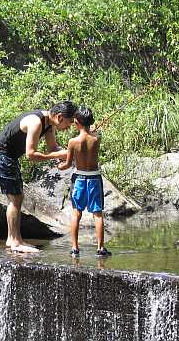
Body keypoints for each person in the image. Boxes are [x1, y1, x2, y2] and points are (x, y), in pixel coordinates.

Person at [0, 101, 77, 253]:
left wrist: (70, 152)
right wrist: (57, 155)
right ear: (60, 117)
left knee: (16, 197)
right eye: (69, 123)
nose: (69, 127)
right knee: (16, 198)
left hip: (8, 157)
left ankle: (12, 239)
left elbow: (53, 148)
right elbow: (31, 154)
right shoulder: (36, 122)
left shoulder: (49, 123)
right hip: (0, 156)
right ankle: (15, 242)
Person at [57, 106, 111, 257]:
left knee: (76, 213)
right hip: (94, 178)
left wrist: (60, 166)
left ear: (77, 122)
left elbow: (67, 164)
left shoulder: (73, 141)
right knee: (97, 214)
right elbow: (92, 134)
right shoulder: (96, 138)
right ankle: (100, 249)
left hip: (79, 179)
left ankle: (75, 248)